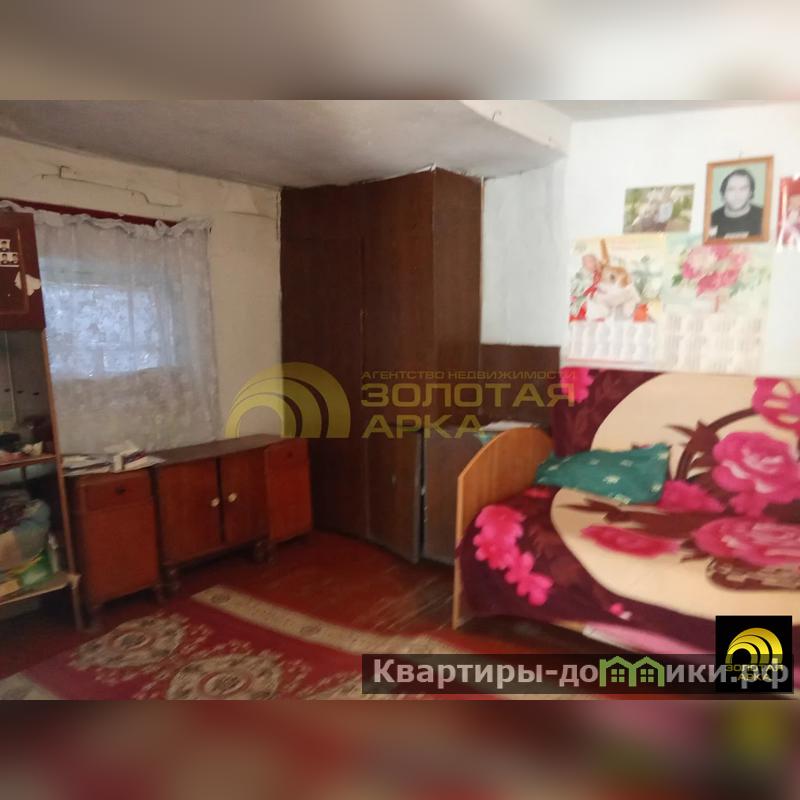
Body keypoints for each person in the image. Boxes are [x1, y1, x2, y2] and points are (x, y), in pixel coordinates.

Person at [709, 168, 763, 239]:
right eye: (731, 189)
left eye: (743, 189)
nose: (737, 195)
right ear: (723, 194)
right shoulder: (711, 219)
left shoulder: (763, 215)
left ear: (750, 193)